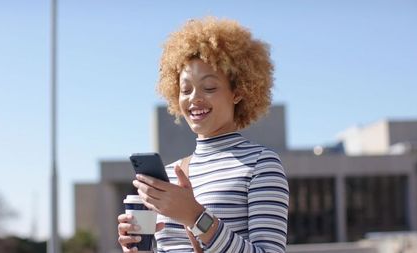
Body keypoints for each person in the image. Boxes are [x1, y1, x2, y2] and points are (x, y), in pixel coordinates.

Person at [118, 16, 289, 253]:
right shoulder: (169, 176)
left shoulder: (261, 164)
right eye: (185, 89)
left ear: (238, 92)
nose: (194, 98)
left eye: (209, 87)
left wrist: (195, 216)